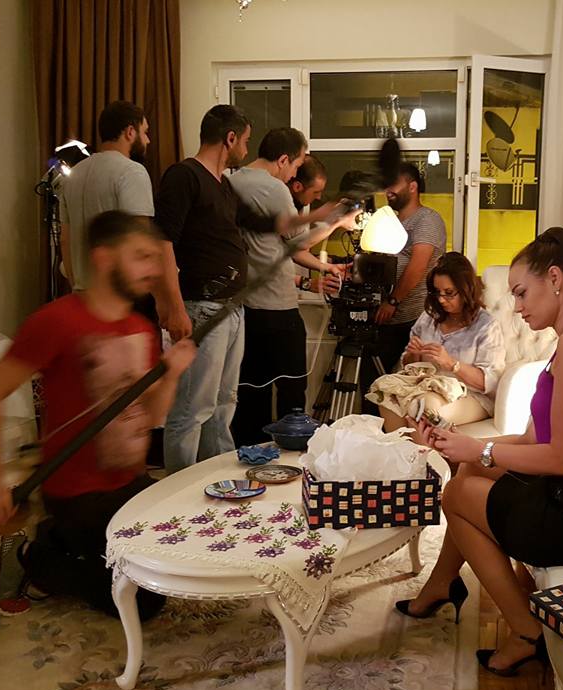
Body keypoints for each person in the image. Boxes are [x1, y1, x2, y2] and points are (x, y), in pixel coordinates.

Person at [395, 227, 563, 677]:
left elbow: (562, 458)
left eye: (521, 293)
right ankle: (441, 584)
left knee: (457, 495)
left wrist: (480, 449)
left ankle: (526, 631)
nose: (516, 307)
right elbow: (533, 439)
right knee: (468, 476)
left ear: (554, 279)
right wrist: (459, 445)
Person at [0, 211, 196, 618]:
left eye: (154, 258)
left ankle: (66, 543)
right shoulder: (57, 321)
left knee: (183, 553)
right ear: (104, 258)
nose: (154, 269)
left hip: (128, 482)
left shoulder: (141, 329)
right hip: (76, 494)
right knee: (145, 601)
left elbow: (150, 418)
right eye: (141, 256)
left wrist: (172, 374)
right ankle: (35, 555)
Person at [153, 105, 340, 473]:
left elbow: (267, 224)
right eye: (245, 141)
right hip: (202, 306)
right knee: (193, 407)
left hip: (232, 308)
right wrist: (172, 305)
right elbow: (162, 241)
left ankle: (216, 478)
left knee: (225, 403)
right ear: (230, 138)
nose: (246, 149)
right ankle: (178, 485)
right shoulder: (184, 175)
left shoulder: (224, 185)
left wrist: (320, 216)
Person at [228, 129, 354, 445]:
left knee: (252, 391)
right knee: (292, 390)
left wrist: (326, 267)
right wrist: (337, 221)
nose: (294, 175)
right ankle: (290, 453)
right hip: (277, 308)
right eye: (296, 165)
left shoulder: (233, 180)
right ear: (284, 159)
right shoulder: (272, 187)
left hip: (248, 307)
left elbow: (280, 247)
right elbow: (297, 242)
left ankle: (250, 453)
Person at [377, 252, 505, 432]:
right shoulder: (429, 317)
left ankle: (422, 450)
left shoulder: (486, 326)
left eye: (449, 293)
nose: (441, 299)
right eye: (437, 292)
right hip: (426, 386)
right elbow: (407, 364)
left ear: (466, 289)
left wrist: (452, 364)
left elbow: (489, 383)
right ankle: (401, 449)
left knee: (424, 406)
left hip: (471, 395)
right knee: (388, 398)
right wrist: (413, 355)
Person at [362, 162, 447, 409]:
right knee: (371, 385)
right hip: (384, 319)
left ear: (412, 187)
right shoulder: (390, 222)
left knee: (404, 386)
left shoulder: (427, 219)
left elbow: (418, 266)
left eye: (393, 184)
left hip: (413, 318)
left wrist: (393, 301)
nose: (387, 190)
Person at [60, 101, 154, 292]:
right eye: (145, 132)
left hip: (81, 293)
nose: (148, 140)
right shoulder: (132, 172)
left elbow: (65, 239)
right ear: (130, 132)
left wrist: (75, 285)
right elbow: (139, 237)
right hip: (116, 294)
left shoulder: (73, 175)